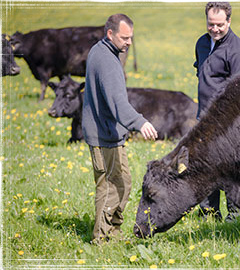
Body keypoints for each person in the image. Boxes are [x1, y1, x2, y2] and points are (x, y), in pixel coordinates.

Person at [82, 14, 158, 243]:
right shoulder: (107, 61)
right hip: (104, 135)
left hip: (105, 132)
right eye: (125, 38)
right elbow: (118, 103)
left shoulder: (100, 51)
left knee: (121, 182)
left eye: (131, 37)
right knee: (111, 187)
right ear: (110, 34)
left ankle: (113, 231)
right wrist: (140, 122)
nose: (129, 43)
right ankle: (101, 238)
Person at [193, 2, 240, 221]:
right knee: (205, 167)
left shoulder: (238, 51)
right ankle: (208, 214)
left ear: (229, 21)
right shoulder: (201, 43)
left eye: (220, 25)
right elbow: (202, 74)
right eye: (211, 24)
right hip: (204, 120)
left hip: (229, 124)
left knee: (231, 170)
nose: (215, 29)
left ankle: (236, 219)